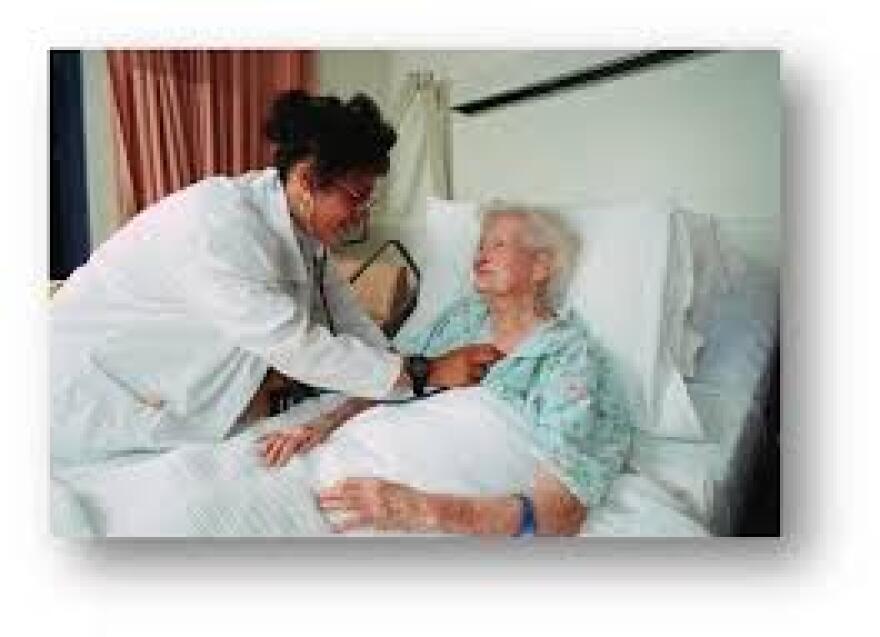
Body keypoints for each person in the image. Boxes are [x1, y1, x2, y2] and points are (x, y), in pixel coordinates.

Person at [49, 90, 500, 467]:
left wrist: (407, 370)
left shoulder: (305, 237)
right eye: (356, 198)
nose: (362, 215)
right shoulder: (217, 225)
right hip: (85, 388)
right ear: (306, 180)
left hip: (154, 393)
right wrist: (425, 371)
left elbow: (348, 322)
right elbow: (297, 345)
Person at [257, 205, 635, 536]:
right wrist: (323, 425)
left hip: (408, 492)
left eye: (498, 244)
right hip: (352, 457)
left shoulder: (569, 356)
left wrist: (420, 509)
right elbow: (396, 381)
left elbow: (558, 515)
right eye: (480, 244)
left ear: (541, 265)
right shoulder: (461, 320)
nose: (481, 254)